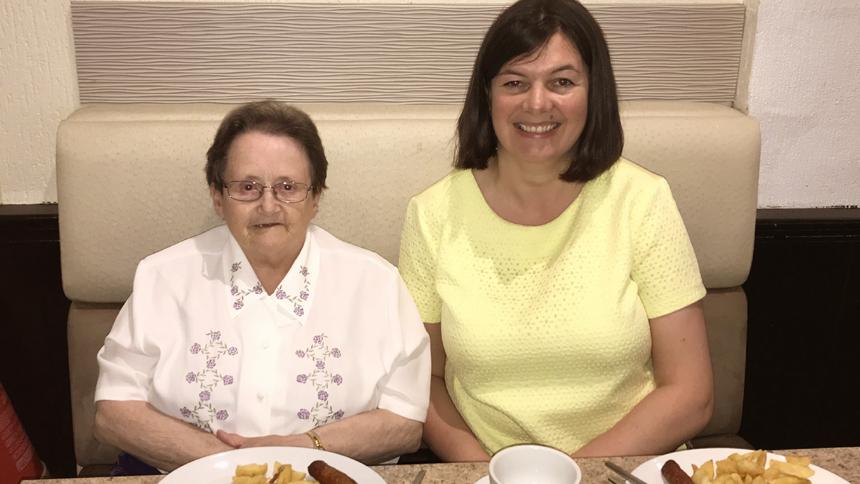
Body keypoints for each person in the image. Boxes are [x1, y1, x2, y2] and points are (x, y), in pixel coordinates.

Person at [398, 0, 714, 461]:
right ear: (487, 96)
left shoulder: (642, 200)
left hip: (626, 468)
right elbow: (423, 379)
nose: (538, 103)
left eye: (562, 82)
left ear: (593, 91)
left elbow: (691, 394)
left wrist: (565, 475)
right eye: (515, 83)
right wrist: (486, 472)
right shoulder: (431, 213)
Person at [94, 101, 431, 472]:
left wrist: (300, 450)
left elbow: (405, 422)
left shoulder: (376, 284)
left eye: (287, 187)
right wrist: (230, 465)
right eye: (248, 187)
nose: (268, 205)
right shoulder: (162, 277)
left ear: (315, 197)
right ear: (217, 197)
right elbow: (113, 410)